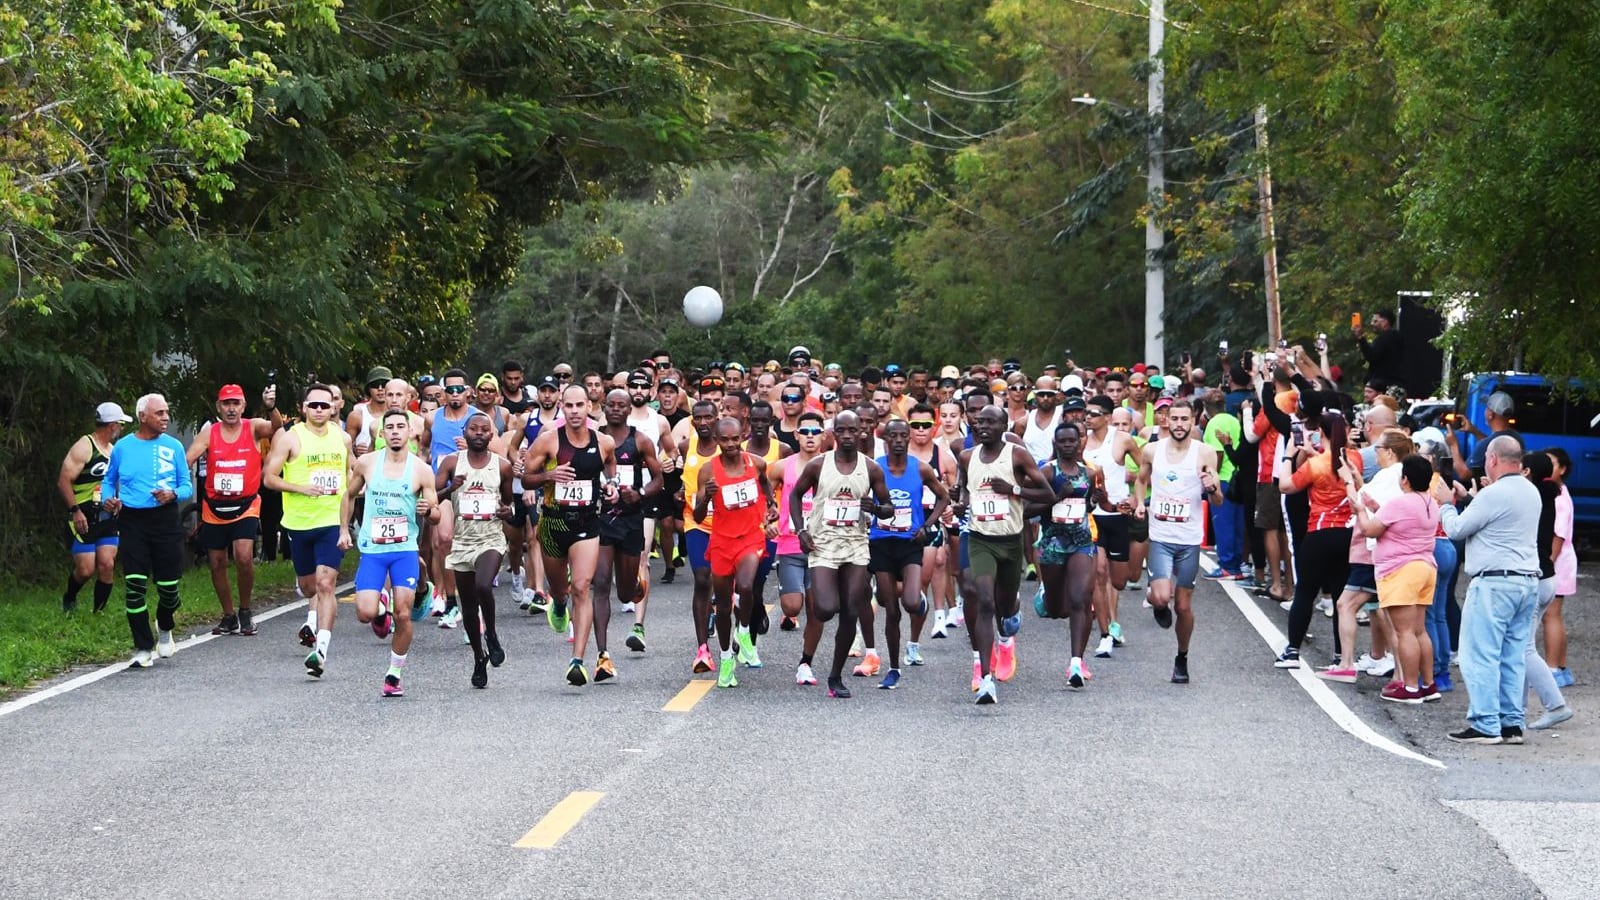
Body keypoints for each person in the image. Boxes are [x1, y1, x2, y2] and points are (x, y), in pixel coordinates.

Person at [1434, 434, 1542, 744]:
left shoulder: (1493, 494)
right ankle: (1511, 723)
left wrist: (1447, 504)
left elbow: (1456, 529)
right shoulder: (1530, 490)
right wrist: (1470, 499)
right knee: (1512, 656)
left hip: (1494, 583)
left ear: (1493, 459)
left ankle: (1485, 723)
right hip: (1526, 580)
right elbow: (1498, 520)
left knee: (1479, 654)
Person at [790, 410, 896, 699]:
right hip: (823, 543)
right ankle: (832, 593)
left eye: (853, 430)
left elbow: (888, 508)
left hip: (855, 545)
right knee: (825, 608)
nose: (848, 435)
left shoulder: (871, 468)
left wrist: (877, 509)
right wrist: (801, 530)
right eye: (842, 431)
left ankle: (835, 676)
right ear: (833, 433)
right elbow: (795, 495)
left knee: (850, 609)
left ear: (862, 432)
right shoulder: (818, 465)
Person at [955, 406, 1056, 704]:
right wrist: (961, 503)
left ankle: (1008, 627)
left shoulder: (1017, 455)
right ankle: (986, 678)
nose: (983, 426)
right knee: (984, 600)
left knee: (1004, 606)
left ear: (1004, 426)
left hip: (1011, 541)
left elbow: (1048, 494)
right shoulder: (966, 457)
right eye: (980, 422)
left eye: (991, 422)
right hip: (980, 539)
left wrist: (1013, 490)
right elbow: (965, 490)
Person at [523, 385, 619, 686]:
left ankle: (577, 660)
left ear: (589, 407)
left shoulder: (603, 442)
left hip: (587, 523)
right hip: (553, 523)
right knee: (561, 589)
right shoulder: (549, 440)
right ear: (562, 408)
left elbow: (610, 467)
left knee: (581, 586)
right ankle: (559, 603)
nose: (575, 411)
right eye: (569, 406)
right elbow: (525, 477)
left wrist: (611, 485)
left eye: (580, 405)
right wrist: (549, 476)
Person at [341, 409, 441, 696]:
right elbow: (349, 495)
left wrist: (429, 511)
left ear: (410, 432)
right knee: (365, 613)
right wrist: (344, 530)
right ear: (382, 434)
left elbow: (435, 514)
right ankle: (379, 612)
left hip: (404, 549)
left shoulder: (421, 469)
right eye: (390, 428)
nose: (395, 432)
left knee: (404, 614)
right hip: (373, 549)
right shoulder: (367, 463)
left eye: (401, 427)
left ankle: (394, 674)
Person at [264, 383, 352, 677]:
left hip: (330, 522)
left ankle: (321, 651)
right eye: (314, 405)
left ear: (333, 408)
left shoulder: (343, 438)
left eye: (325, 405)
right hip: (299, 523)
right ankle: (307, 595)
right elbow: (269, 478)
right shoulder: (290, 438)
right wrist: (300, 488)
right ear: (303, 408)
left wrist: (345, 527)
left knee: (326, 585)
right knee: (308, 587)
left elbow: (350, 480)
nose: (319, 410)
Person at [1134, 399, 1224, 684]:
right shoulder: (1152, 450)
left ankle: (1182, 657)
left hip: (1189, 540)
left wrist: (1212, 489)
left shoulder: (1204, 452)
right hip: (1161, 536)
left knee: (1183, 607)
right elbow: (1141, 480)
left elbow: (1218, 499)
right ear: (1166, 420)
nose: (1179, 424)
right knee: (1161, 596)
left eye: (1185, 419)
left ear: (1193, 421)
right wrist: (1140, 503)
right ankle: (1159, 605)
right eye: (1174, 419)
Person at [101, 394, 194, 667]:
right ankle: (143, 647)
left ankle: (164, 625)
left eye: (166, 412)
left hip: (165, 520)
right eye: (159, 413)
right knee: (134, 586)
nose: (166, 418)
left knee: (169, 589)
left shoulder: (174, 446)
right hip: (132, 521)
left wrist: (172, 494)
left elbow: (186, 486)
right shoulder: (122, 447)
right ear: (142, 416)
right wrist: (108, 500)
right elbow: (109, 481)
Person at [187, 383, 281, 637]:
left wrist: (271, 407)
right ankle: (228, 615)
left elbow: (276, 427)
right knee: (217, 563)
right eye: (226, 404)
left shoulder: (253, 427)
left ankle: (246, 610)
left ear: (243, 406)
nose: (231, 409)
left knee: (243, 556)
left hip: (246, 505)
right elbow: (189, 458)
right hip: (214, 507)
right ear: (219, 407)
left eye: (235, 403)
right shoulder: (210, 433)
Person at [1348, 453, 1441, 703]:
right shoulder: (1430, 502)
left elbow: (1370, 530)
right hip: (1425, 567)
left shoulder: (1399, 503)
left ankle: (1410, 688)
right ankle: (1428, 684)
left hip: (1400, 570)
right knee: (1419, 631)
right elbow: (1398, 523)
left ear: (1405, 479)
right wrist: (1375, 508)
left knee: (1404, 632)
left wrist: (1361, 511)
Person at [693, 417, 778, 687]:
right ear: (716, 440)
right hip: (721, 541)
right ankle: (726, 656)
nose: (730, 444)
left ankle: (743, 631)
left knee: (745, 585)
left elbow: (765, 483)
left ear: (744, 436)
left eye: (735, 438)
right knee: (722, 607)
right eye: (725, 439)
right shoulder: (708, 470)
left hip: (751, 537)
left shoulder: (756, 463)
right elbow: (697, 516)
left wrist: (772, 505)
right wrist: (707, 497)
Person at [1272, 408, 1358, 669]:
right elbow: (1334, 463)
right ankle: (1340, 655)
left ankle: (1292, 651)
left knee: (1305, 592)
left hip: (1319, 532)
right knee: (1342, 597)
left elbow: (1285, 485)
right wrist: (1312, 452)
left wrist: (1289, 455)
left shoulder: (1315, 465)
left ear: (1321, 432)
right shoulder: (1353, 458)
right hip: (1347, 533)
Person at [867, 419, 950, 689]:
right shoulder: (875, 467)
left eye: (904, 435)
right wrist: (871, 508)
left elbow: (944, 497)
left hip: (910, 541)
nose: (899, 441)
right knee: (891, 609)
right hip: (881, 541)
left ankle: (921, 602)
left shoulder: (921, 468)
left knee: (912, 602)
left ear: (909, 438)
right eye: (894, 436)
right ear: (886, 439)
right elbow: (862, 497)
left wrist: (927, 525)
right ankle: (893, 669)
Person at [1030, 421, 1112, 688]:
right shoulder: (1046, 471)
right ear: (1055, 444)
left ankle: (1076, 662)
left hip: (1081, 543)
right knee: (1057, 610)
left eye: (1072, 440)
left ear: (1079, 443)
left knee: (1081, 598)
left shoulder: (1089, 473)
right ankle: (1047, 593)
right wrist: (1056, 496)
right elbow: (1027, 509)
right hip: (1052, 544)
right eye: (1063, 441)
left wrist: (1096, 501)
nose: (1068, 445)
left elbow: (1089, 506)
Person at [437, 415, 516, 688]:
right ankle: (478, 656)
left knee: (483, 585)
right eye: (473, 429)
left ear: (492, 435)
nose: (479, 433)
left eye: (485, 430)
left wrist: (507, 511)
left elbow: (508, 505)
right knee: (468, 606)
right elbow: (432, 497)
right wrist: (451, 488)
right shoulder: (451, 463)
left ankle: (491, 634)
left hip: (490, 538)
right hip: (462, 540)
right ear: (465, 432)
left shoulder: (502, 466)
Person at [597, 388, 663, 656]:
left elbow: (659, 480)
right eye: (611, 404)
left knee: (625, 594)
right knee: (601, 582)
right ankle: (602, 652)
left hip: (630, 519)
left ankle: (635, 584)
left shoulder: (640, 441)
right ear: (604, 407)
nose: (615, 409)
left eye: (620, 405)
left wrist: (641, 493)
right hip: (600, 519)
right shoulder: (593, 438)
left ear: (628, 410)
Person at [1083, 394, 1144, 657]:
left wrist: (1135, 498)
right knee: (1099, 573)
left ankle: (1112, 619)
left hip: (1118, 515)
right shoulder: (1081, 441)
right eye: (1086, 413)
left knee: (1118, 580)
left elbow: (1145, 470)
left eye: (1094, 414)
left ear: (1107, 417)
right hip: (1091, 516)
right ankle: (1105, 634)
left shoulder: (1122, 440)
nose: (1088, 417)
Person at [57, 402, 131, 614]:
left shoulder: (114, 451)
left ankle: (98, 612)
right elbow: (63, 481)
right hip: (84, 515)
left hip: (107, 516)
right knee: (85, 570)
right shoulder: (84, 447)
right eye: (120, 424)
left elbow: (117, 482)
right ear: (112, 425)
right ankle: (69, 597)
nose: (121, 429)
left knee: (107, 565)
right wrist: (75, 511)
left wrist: (117, 501)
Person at [770, 411, 826, 683]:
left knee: (818, 609)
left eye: (815, 432)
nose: (810, 437)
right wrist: (768, 520)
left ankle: (806, 662)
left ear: (824, 436)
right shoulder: (782, 466)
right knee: (792, 607)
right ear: (796, 435)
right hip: (790, 543)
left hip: (822, 548)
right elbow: (765, 496)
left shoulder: (833, 466)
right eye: (805, 432)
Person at [1521, 452, 1574, 730]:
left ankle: (1555, 705)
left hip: (1539, 574)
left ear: (1527, 472)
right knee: (1521, 646)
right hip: (1545, 575)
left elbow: (1557, 538)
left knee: (1523, 648)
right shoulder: (1550, 494)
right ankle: (1516, 712)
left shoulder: (1536, 498)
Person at [1543, 447, 1577, 687]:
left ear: (1563, 469)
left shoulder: (1559, 500)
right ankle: (1561, 667)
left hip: (1558, 562)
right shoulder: (1560, 493)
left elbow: (1558, 536)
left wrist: (1548, 563)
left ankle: (1553, 669)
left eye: (1552, 464)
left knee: (1551, 616)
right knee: (1555, 615)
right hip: (1563, 561)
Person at [1353, 308, 1404, 390]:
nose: (1372, 324)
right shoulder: (1396, 337)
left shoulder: (1384, 338)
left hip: (1381, 384)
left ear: (1385, 322)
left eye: (1375, 321)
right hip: (1394, 382)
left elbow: (1371, 356)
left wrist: (1360, 338)